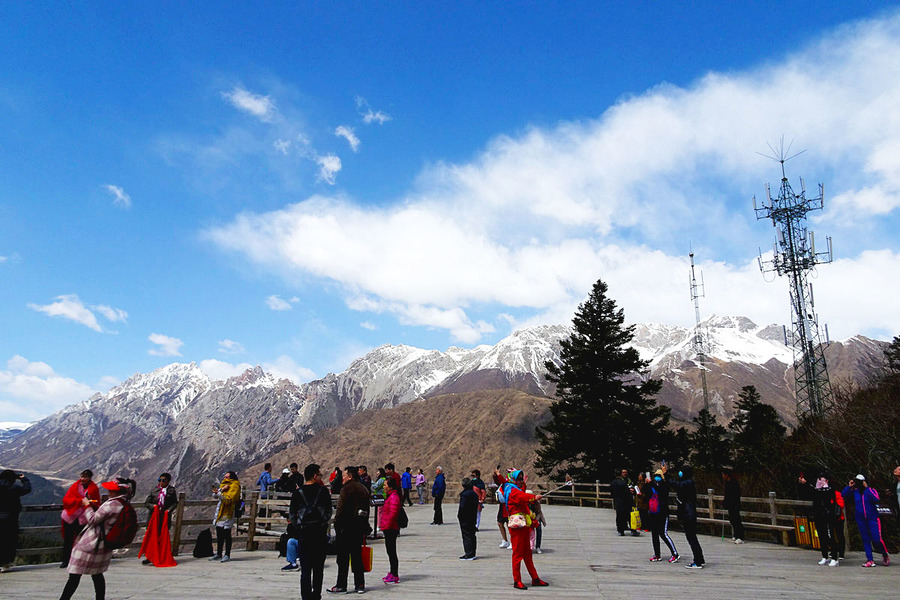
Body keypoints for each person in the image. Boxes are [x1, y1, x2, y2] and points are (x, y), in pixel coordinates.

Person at [58, 477, 136, 600]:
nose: (109, 492)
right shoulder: (124, 503)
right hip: (104, 544)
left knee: (74, 575)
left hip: (93, 542)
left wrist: (87, 506)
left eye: (111, 490)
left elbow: (92, 520)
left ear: (117, 492)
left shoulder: (111, 504)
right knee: (97, 574)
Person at [290, 463, 333, 599]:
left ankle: (305, 596)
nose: (321, 477)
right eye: (319, 474)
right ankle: (316, 595)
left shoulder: (298, 492)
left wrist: (298, 525)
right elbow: (328, 511)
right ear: (315, 476)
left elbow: (292, 513)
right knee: (318, 568)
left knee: (306, 568)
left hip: (304, 533)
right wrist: (323, 521)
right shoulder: (324, 491)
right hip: (319, 533)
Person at [501, 469, 548, 589]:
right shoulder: (512, 492)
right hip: (517, 528)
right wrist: (534, 497)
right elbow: (522, 496)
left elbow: (521, 493)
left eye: (521, 479)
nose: (520, 481)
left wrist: (525, 485)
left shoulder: (512, 489)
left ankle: (535, 578)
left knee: (527, 554)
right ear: (512, 480)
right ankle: (517, 580)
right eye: (518, 479)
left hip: (523, 527)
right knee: (517, 554)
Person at [328, 466, 369, 594]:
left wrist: (336, 523)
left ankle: (341, 585)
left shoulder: (346, 489)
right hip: (358, 527)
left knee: (343, 559)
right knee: (357, 557)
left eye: (344, 475)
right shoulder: (363, 488)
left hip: (345, 528)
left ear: (350, 476)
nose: (342, 478)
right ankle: (360, 584)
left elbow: (340, 510)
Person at [842, 474, 890, 567]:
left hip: (873, 518)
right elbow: (843, 494)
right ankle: (870, 559)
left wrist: (867, 488)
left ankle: (885, 554)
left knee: (877, 539)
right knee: (865, 539)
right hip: (861, 518)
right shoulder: (855, 491)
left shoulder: (871, 490)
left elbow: (876, 498)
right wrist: (849, 486)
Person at [665, 464, 705, 569]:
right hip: (688, 513)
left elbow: (676, 485)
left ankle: (698, 561)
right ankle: (700, 559)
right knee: (692, 538)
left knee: (691, 538)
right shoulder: (688, 482)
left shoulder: (688, 483)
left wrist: (666, 475)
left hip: (688, 514)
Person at [60, 469, 101, 568]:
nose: (82, 479)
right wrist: (79, 501)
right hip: (70, 517)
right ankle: (66, 560)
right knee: (68, 540)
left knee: (81, 541)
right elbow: (66, 500)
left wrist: (90, 503)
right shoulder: (75, 486)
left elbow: (97, 503)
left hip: (83, 519)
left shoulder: (94, 488)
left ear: (90, 478)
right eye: (82, 476)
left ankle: (79, 561)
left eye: (85, 477)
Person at [798, 472, 840, 566]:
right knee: (822, 536)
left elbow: (828, 495)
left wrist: (822, 487)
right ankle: (824, 556)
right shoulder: (815, 489)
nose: (820, 481)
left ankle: (834, 557)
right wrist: (805, 484)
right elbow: (810, 493)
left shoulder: (830, 489)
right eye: (819, 479)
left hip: (829, 515)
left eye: (823, 479)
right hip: (819, 515)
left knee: (830, 536)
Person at [140, 472, 178, 566]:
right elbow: (146, 503)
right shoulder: (154, 490)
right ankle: (150, 557)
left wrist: (169, 510)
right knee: (152, 537)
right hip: (153, 517)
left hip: (164, 517)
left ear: (168, 481)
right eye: (159, 480)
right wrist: (153, 507)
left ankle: (161, 556)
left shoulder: (171, 491)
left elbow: (174, 503)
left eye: (163, 480)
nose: (161, 482)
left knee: (162, 536)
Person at [0, 470, 31, 572]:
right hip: (11, 519)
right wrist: (24, 479)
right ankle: (6, 563)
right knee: (9, 542)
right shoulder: (14, 488)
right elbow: (27, 489)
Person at [645, 469, 678, 563]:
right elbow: (647, 495)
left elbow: (661, 493)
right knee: (654, 534)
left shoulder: (664, 486)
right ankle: (657, 554)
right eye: (655, 475)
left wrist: (651, 484)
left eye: (659, 475)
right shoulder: (652, 485)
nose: (657, 477)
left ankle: (675, 553)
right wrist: (647, 484)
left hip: (662, 512)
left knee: (663, 533)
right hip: (653, 512)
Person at [211, 471, 241, 562]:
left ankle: (227, 554)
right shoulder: (224, 485)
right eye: (224, 477)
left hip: (228, 512)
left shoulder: (235, 486)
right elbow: (216, 496)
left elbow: (229, 499)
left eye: (227, 477)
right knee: (219, 533)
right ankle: (219, 553)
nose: (225, 478)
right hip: (221, 511)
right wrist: (220, 490)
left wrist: (220, 494)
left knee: (226, 534)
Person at [379, 476, 403, 583]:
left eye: (385, 485)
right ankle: (392, 571)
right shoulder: (390, 496)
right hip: (388, 527)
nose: (384, 487)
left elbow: (393, 514)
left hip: (391, 528)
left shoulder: (393, 497)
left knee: (392, 551)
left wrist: (386, 525)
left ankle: (395, 573)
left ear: (390, 486)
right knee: (390, 551)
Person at [611, 468, 638, 536]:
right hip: (626, 501)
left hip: (617, 501)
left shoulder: (613, 482)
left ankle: (620, 530)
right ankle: (633, 530)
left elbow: (612, 493)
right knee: (630, 516)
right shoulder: (623, 483)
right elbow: (627, 493)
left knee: (620, 516)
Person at [722, 468, 745, 544]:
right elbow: (727, 494)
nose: (722, 476)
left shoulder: (734, 482)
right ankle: (736, 534)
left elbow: (735, 494)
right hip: (730, 505)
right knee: (732, 520)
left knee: (737, 520)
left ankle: (741, 537)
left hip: (735, 504)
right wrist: (725, 502)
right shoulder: (727, 483)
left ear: (726, 475)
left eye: (723, 474)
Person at [458, 477, 478, 560]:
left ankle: (469, 553)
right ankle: (473, 552)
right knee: (472, 534)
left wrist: (459, 515)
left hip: (465, 518)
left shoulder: (464, 495)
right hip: (473, 516)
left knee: (466, 535)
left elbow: (462, 507)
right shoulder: (474, 494)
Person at [493, 465, 510, 548]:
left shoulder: (511, 483)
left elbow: (503, 481)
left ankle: (513, 541)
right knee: (500, 523)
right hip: (502, 506)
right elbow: (498, 482)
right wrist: (495, 475)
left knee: (509, 524)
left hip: (509, 506)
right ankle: (505, 540)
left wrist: (499, 474)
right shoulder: (504, 484)